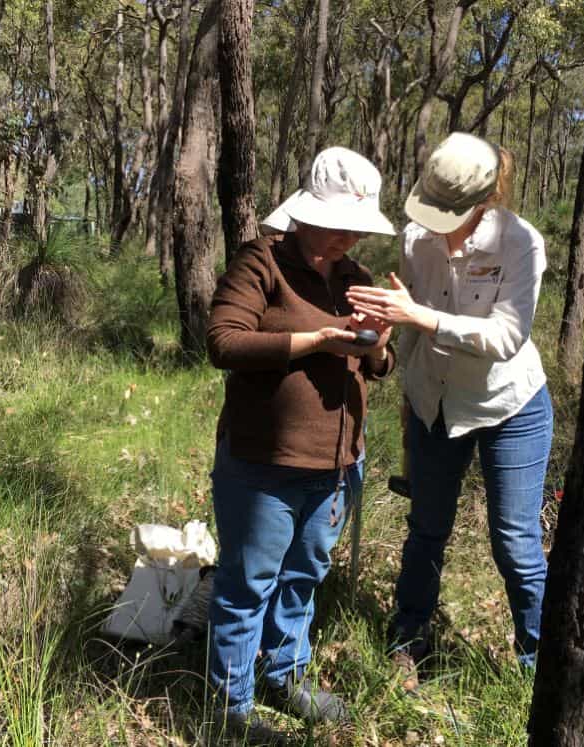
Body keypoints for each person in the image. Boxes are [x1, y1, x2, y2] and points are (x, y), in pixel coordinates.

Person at [206, 147, 397, 741]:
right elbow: (224, 343)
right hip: (264, 461)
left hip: (338, 464)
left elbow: (378, 365)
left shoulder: (356, 279)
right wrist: (315, 341)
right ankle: (229, 710)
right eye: (341, 224)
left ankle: (283, 676)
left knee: (303, 577)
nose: (349, 237)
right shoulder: (260, 263)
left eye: (357, 228)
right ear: (308, 213)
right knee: (248, 583)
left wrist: (376, 347)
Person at [346, 132, 553, 678]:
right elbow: (406, 321)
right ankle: (408, 641)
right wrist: (390, 362)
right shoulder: (416, 239)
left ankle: (539, 664)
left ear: (484, 198)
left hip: (510, 405)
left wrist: (421, 318)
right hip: (432, 403)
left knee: (515, 541)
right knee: (426, 528)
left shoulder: (520, 243)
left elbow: (507, 337)